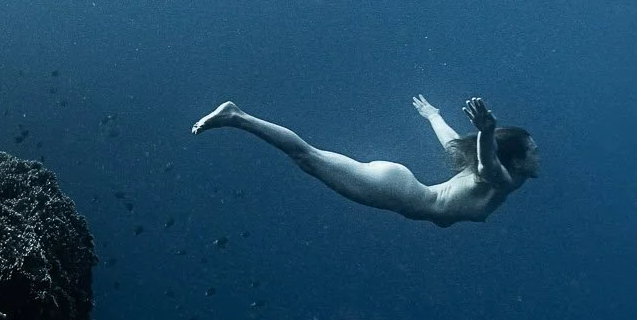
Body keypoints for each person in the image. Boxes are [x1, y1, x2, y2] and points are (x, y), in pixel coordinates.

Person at [191, 94, 539, 227]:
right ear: (518, 160)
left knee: (309, 158)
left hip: (400, 183)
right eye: (533, 151)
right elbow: (487, 165)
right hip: (401, 192)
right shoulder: (502, 183)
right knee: (307, 157)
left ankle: (238, 117)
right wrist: (486, 133)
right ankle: (237, 117)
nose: (539, 156)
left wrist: (433, 115)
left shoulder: (498, 176)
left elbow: (452, 144)